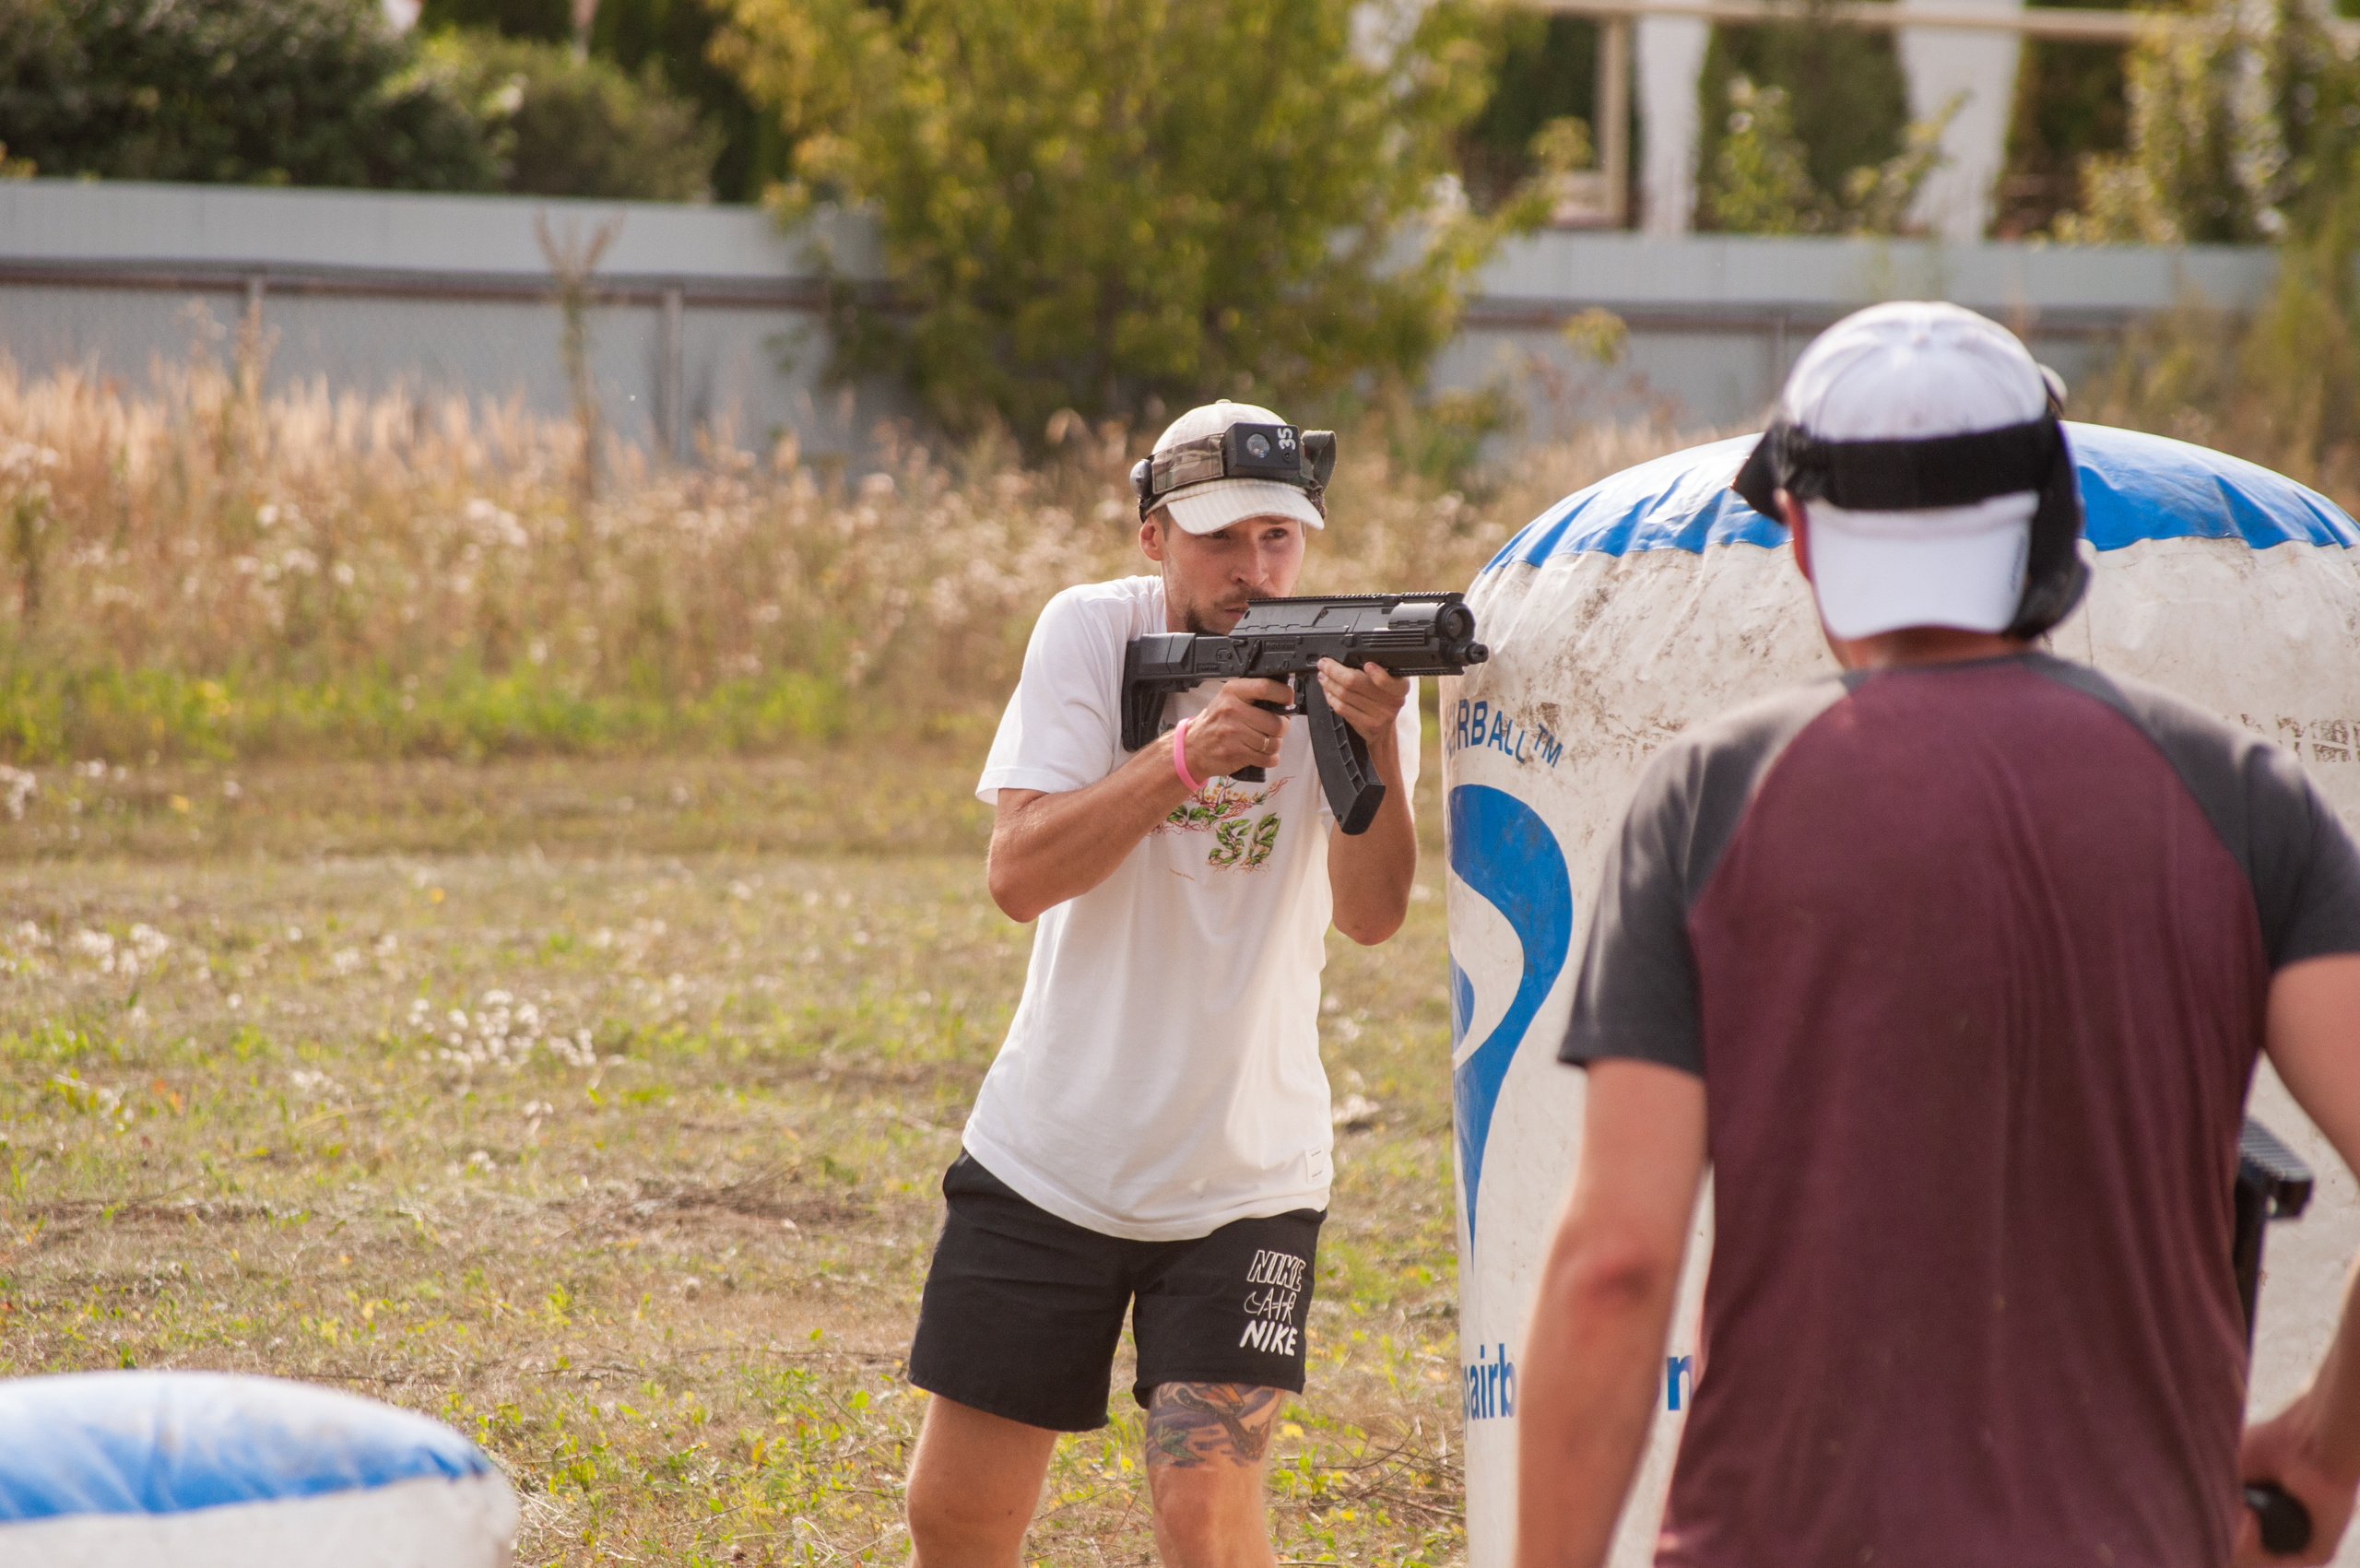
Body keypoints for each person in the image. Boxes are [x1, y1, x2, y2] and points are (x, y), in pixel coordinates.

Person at [1514, 301, 2360, 1568]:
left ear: (1800, 536)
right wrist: (2324, 1450)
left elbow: (1616, 1266)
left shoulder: (1711, 797)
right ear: (2052, 513)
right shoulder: (2242, 795)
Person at [903, 399, 1423, 1568]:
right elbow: (1019, 875)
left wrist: (1377, 737)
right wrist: (1183, 759)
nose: (1254, 567)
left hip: (1246, 1174)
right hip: (1052, 1155)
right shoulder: (1089, 633)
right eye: (1220, 539)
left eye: (1278, 538)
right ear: (1153, 538)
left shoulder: (1361, 663)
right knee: (954, 1515)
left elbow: (1373, 913)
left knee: (1205, 1513)